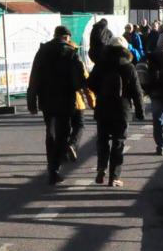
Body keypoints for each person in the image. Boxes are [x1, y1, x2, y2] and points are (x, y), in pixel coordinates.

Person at [27, 25, 88, 185]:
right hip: (65, 100)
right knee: (62, 135)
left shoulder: (42, 51)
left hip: (46, 100)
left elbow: (34, 77)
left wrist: (31, 101)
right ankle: (54, 168)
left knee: (50, 133)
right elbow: (77, 81)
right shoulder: (70, 52)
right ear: (67, 37)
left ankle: (51, 166)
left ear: (55, 36)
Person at [87, 36, 145, 187]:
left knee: (102, 140)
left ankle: (101, 169)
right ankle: (114, 177)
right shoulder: (129, 66)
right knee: (118, 142)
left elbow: (90, 83)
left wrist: (101, 91)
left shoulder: (101, 64)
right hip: (122, 109)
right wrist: (140, 111)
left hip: (103, 107)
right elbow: (137, 92)